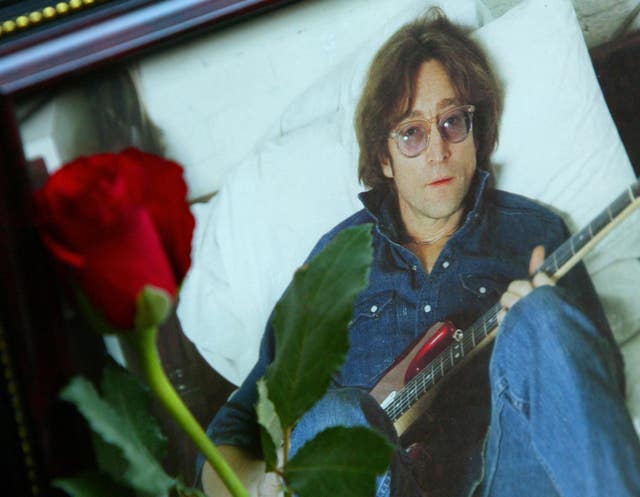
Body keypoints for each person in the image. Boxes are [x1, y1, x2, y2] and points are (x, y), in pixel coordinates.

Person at [201, 10, 640, 497]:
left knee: (543, 314)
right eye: (411, 132)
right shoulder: (334, 261)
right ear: (383, 158)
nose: (438, 151)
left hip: (503, 479)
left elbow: (599, 390)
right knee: (333, 416)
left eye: (453, 122)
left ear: (477, 134)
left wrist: (542, 331)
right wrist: (259, 484)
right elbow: (231, 431)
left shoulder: (533, 233)